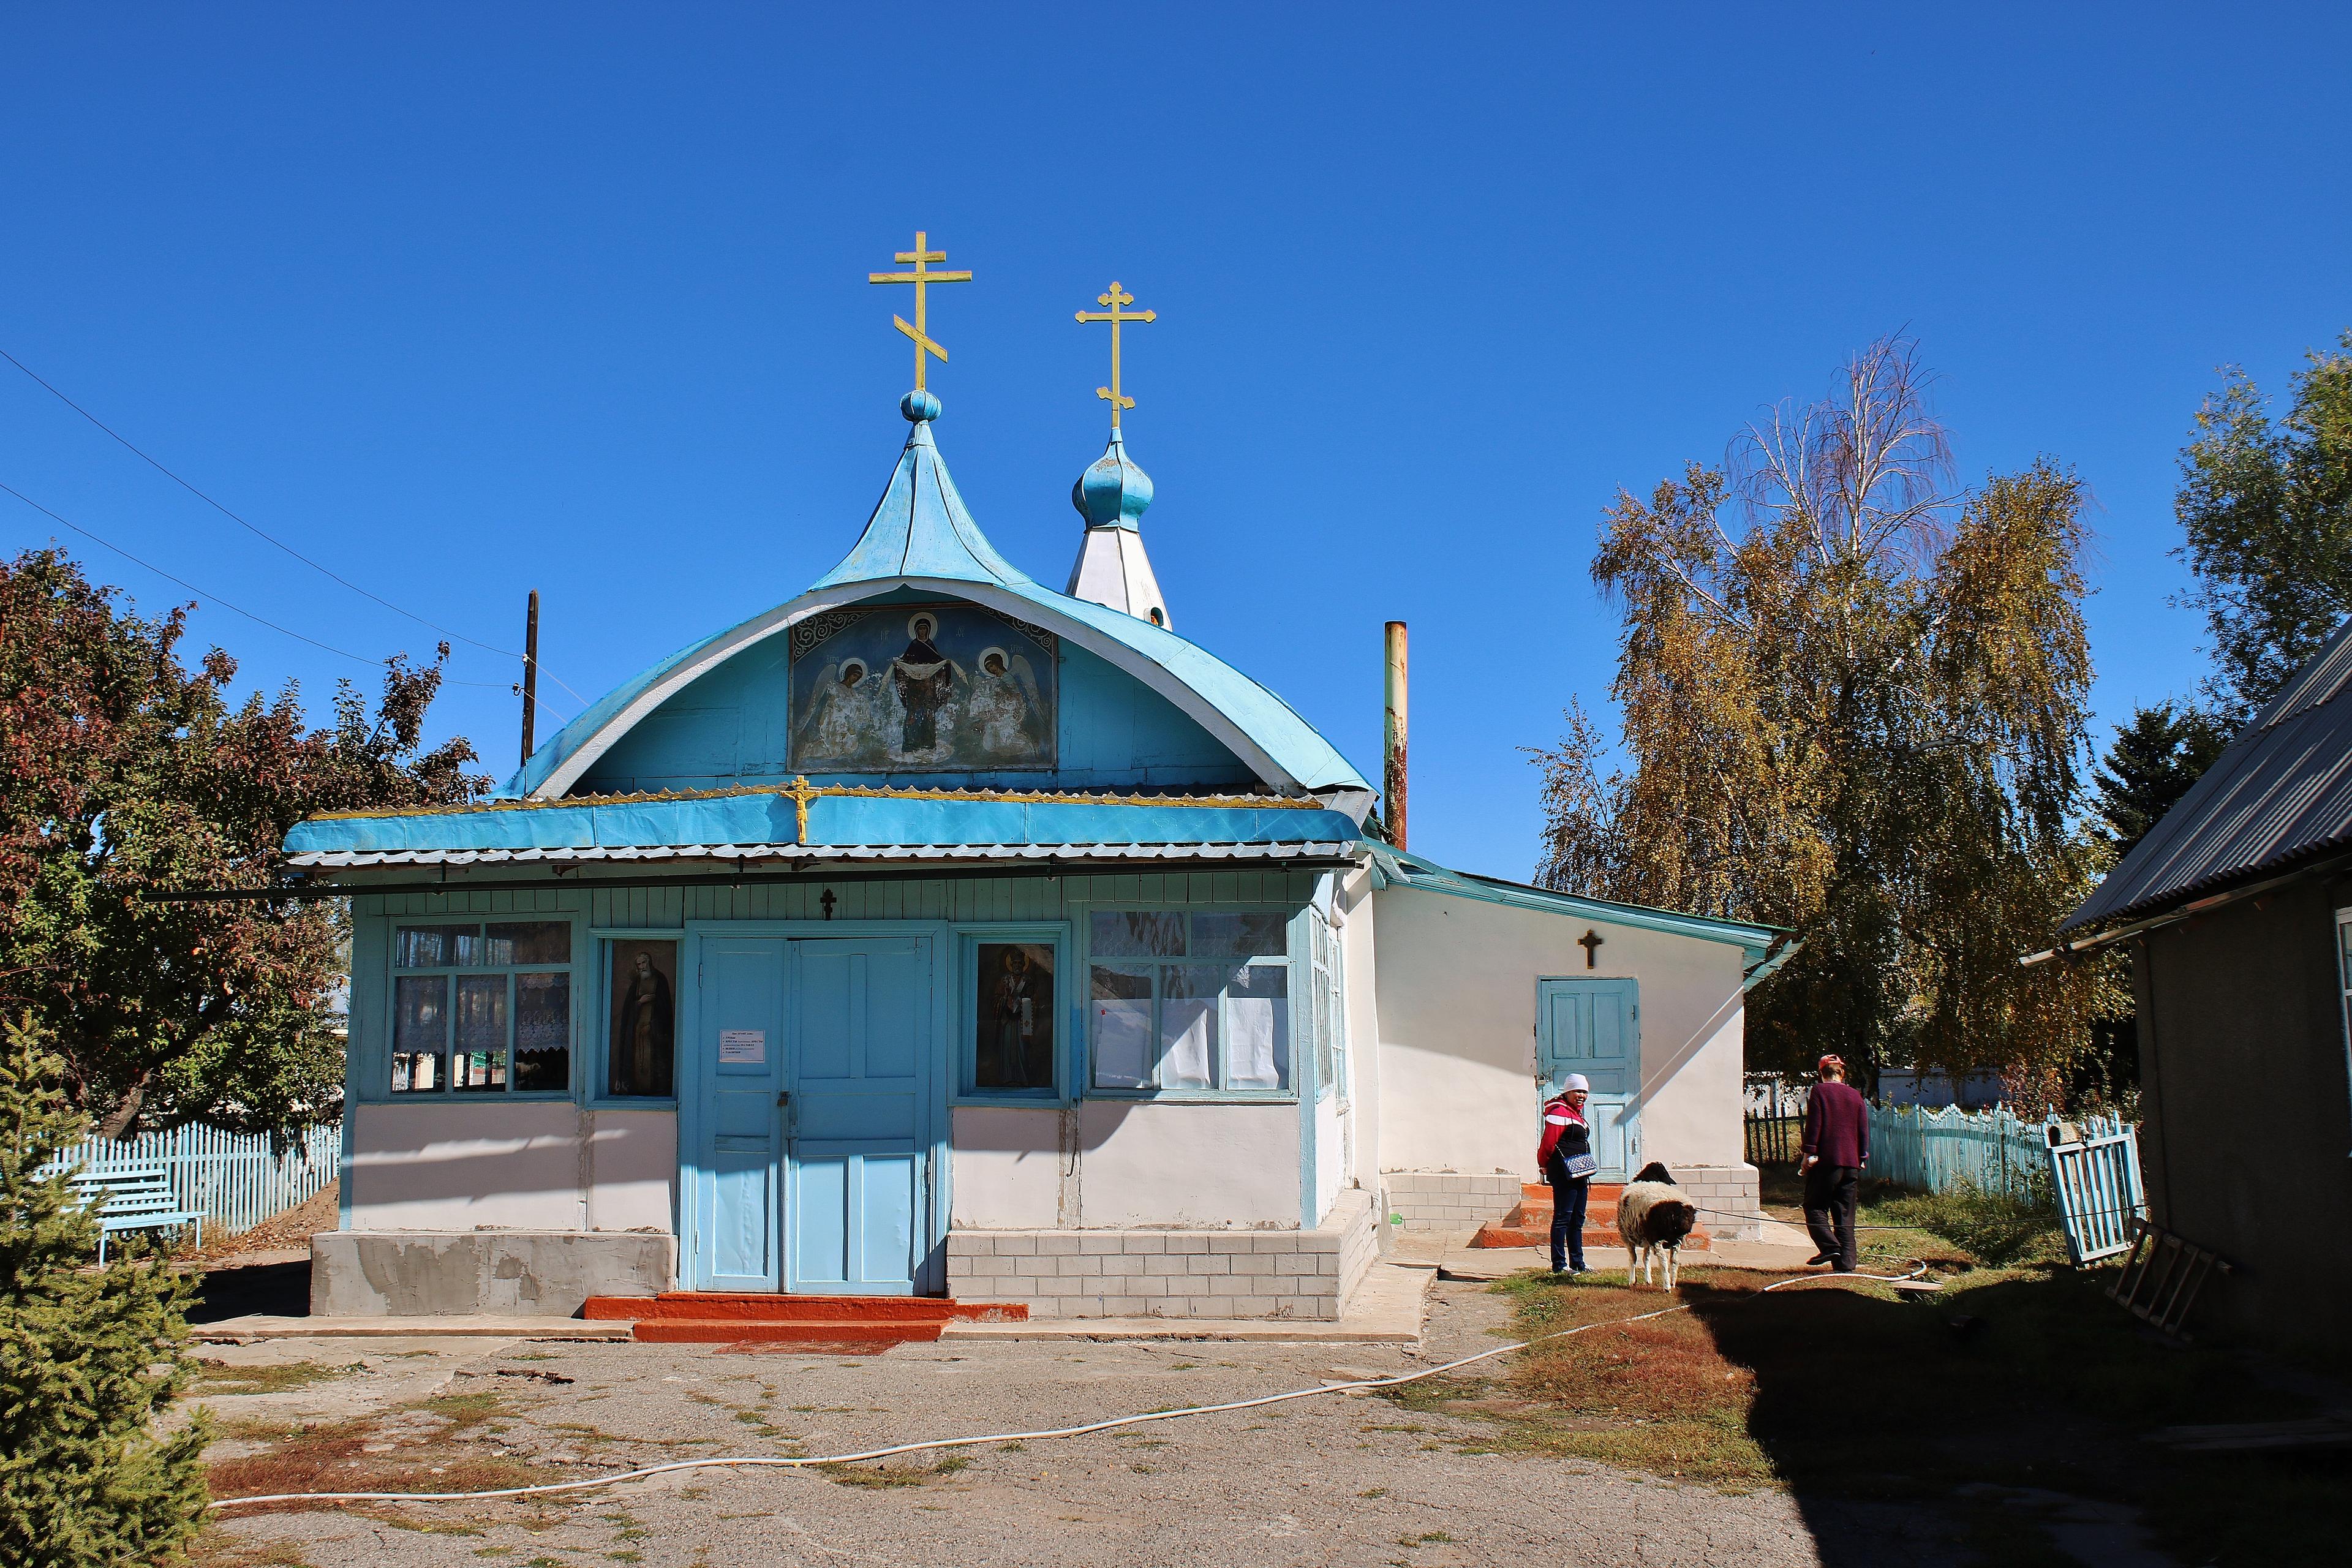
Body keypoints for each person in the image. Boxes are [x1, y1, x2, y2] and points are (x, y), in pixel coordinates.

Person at [1800, 1054, 1869, 1272]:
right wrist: (1862, 1157)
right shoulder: (1855, 1095)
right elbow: (1863, 1128)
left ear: (1821, 1073)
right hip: (1851, 1164)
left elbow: (1815, 1125)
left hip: (1827, 1162)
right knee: (1845, 1215)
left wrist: (1808, 1154)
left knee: (1814, 1206)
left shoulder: (1820, 1091)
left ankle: (1830, 1247)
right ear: (1842, 1073)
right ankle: (1846, 1265)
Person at [1537, 1074, 1598, 1275]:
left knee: (1578, 1218)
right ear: (1567, 1092)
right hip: (1564, 1173)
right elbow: (1548, 1143)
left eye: (1584, 1092)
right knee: (1563, 1217)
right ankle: (1559, 1266)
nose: (1581, 1096)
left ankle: (1578, 1263)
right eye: (1577, 1091)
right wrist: (1544, 1164)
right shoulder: (1559, 1111)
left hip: (1580, 1172)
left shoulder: (1576, 1113)